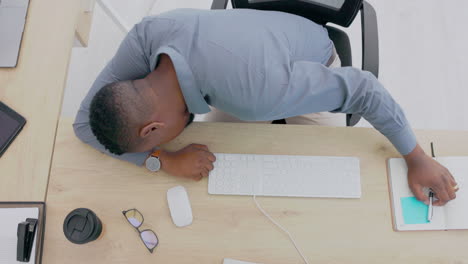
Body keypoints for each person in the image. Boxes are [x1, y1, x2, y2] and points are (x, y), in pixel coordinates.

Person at [74, 8, 458, 205]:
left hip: (305, 62)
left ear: (151, 129)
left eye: (151, 146)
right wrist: (164, 160)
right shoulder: (144, 39)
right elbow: (83, 126)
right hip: (251, 52)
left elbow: (364, 90)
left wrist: (417, 157)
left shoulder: (257, 93)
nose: (155, 150)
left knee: (322, 184)